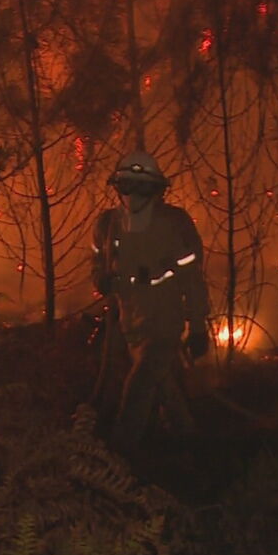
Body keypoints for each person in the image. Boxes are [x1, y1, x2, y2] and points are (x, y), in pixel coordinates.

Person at [91, 150, 210, 454]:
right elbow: (96, 260)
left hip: (164, 325)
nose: (133, 195)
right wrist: (100, 278)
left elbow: (192, 280)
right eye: (127, 185)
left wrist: (198, 327)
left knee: (139, 388)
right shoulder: (107, 224)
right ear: (118, 187)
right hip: (130, 324)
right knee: (165, 387)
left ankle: (119, 460)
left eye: (141, 187)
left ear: (156, 189)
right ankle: (193, 444)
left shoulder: (175, 224)